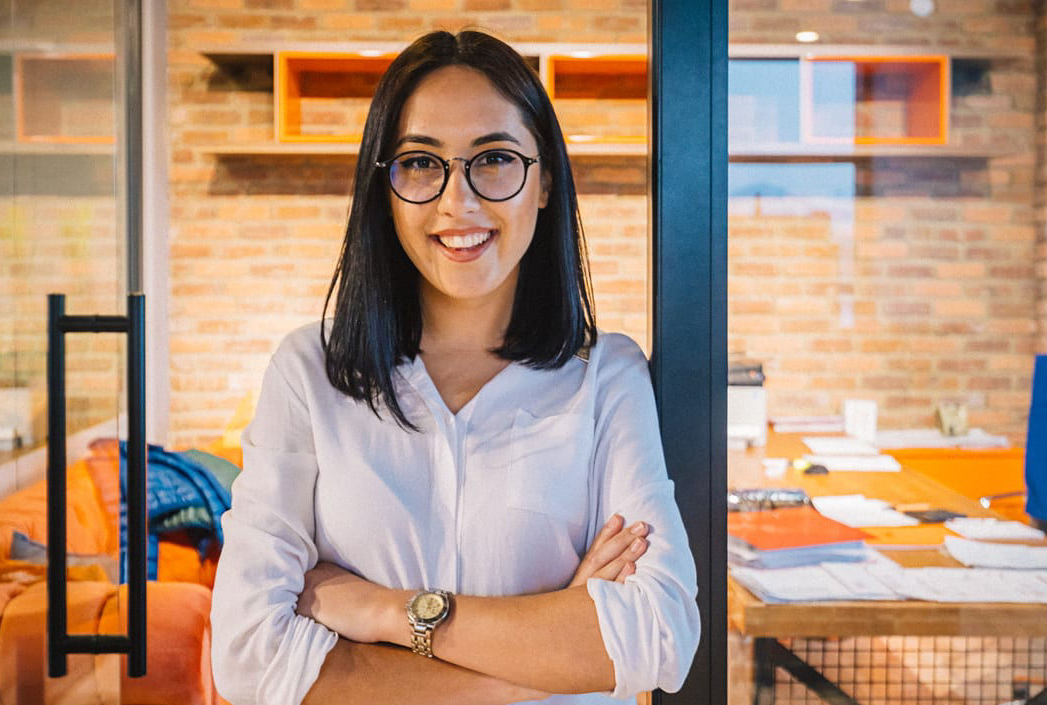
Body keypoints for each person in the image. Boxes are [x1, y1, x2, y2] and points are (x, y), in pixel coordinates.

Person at [209, 29, 700, 705]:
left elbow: (658, 636)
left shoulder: (606, 377)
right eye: (420, 162)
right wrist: (552, 652)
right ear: (384, 187)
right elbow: (247, 659)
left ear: (546, 179)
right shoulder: (308, 373)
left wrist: (387, 610)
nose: (457, 201)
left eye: (494, 158)